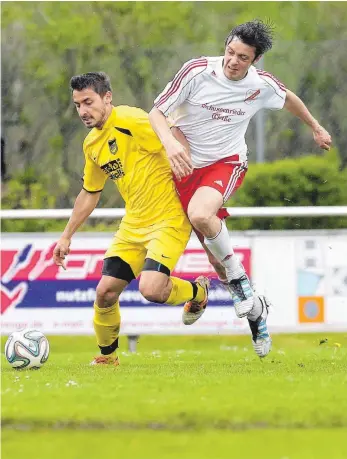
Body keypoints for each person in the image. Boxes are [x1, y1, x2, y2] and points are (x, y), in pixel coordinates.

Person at [149, 20, 332, 358]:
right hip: (186, 166)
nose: (233, 61)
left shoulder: (261, 85)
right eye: (230, 52)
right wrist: (169, 144)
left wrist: (315, 126)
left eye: (243, 57)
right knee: (216, 260)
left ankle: (240, 280)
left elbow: (289, 98)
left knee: (201, 214)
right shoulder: (197, 71)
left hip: (225, 162)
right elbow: (157, 111)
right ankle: (257, 312)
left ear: (255, 60)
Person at [53, 72, 210, 366]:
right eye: (77, 105)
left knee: (151, 289)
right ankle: (107, 359)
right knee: (105, 292)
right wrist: (66, 236)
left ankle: (199, 291)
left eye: (88, 102)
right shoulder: (92, 144)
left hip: (169, 218)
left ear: (107, 97)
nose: (83, 111)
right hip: (134, 223)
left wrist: (192, 178)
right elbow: (90, 192)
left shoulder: (131, 120)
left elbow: (175, 135)